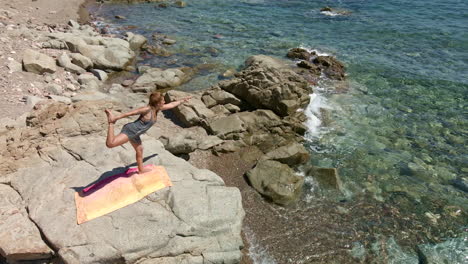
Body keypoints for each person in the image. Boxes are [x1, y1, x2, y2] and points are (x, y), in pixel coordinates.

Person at [104, 92, 192, 173]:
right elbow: (131, 113)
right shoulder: (147, 109)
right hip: (131, 130)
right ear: (158, 103)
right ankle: (111, 123)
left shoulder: (157, 108)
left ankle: (141, 170)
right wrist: (116, 118)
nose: (164, 101)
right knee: (110, 144)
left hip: (136, 134)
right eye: (163, 100)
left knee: (139, 149)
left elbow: (172, 104)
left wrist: (182, 100)